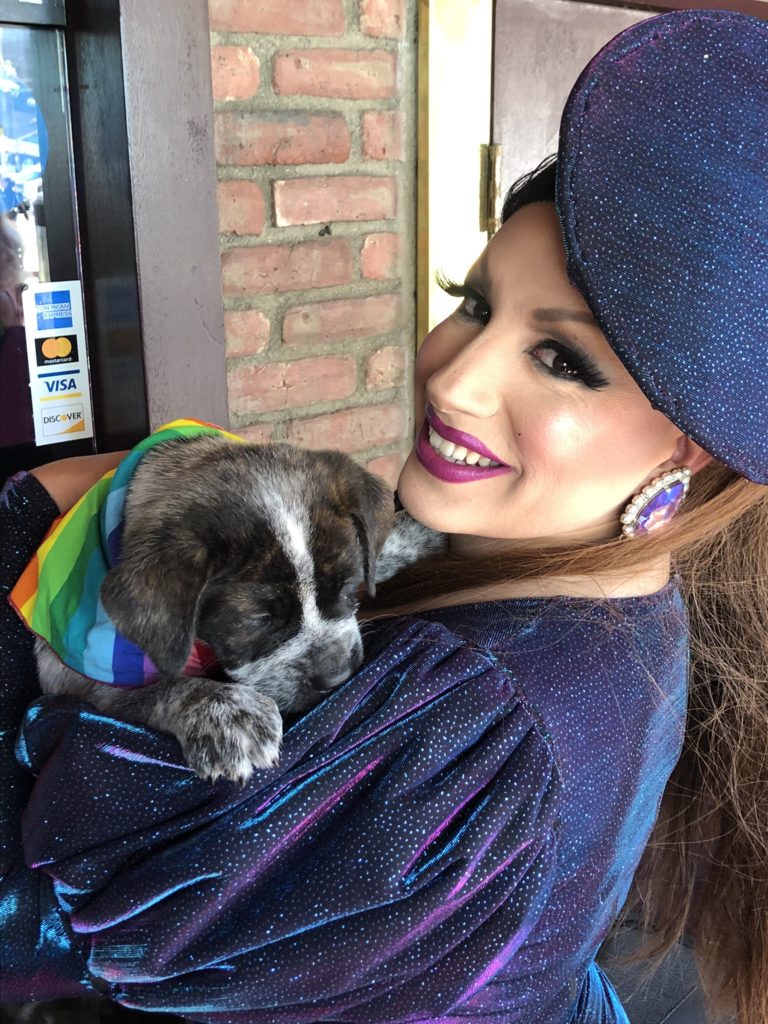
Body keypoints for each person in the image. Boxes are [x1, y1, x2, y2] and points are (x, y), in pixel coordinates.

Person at [1, 9, 767, 1023]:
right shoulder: (623, 600)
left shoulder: (475, 725)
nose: (455, 378)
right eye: (475, 302)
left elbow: (114, 893)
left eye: (564, 360)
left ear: (687, 446)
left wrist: (64, 508)